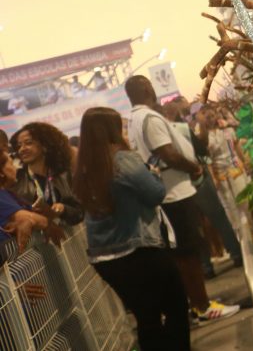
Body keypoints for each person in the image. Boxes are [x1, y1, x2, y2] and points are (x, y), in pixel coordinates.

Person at [73, 107, 190, 350]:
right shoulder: (122, 159)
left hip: (105, 258)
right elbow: (155, 193)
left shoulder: (83, 168)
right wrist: (154, 173)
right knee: (176, 306)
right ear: (112, 130)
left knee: (146, 317)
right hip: (139, 250)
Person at [124, 76, 239, 322]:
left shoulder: (134, 119)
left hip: (167, 192)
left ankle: (195, 305)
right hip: (175, 192)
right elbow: (166, 153)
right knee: (188, 253)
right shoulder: (149, 118)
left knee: (183, 254)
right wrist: (193, 167)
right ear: (146, 88)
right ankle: (202, 306)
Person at [166, 98, 242, 277]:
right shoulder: (181, 129)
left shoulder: (157, 134)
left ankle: (206, 267)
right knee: (218, 217)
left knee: (195, 229)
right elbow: (202, 149)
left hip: (177, 188)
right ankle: (236, 253)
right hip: (197, 180)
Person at [11, 122, 84, 227]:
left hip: (69, 240)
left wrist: (63, 209)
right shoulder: (17, 180)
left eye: (28, 143)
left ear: (44, 145)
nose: (22, 149)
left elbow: (80, 212)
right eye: (19, 145)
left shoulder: (63, 174)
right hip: (34, 242)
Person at [0, 145, 50, 257]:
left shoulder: (9, 194)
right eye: (11, 163)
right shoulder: (2, 197)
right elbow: (30, 219)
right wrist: (33, 220)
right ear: (1, 173)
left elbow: (36, 217)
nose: (15, 167)